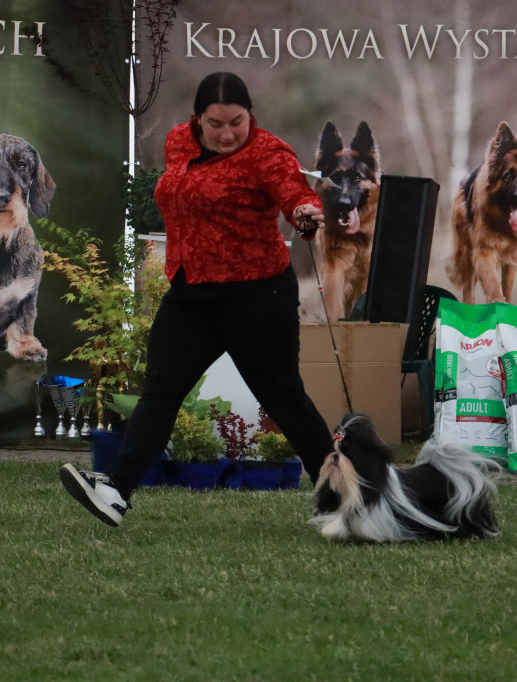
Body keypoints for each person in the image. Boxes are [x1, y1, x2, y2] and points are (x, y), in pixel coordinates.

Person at [60, 72, 333, 527]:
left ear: (251, 117)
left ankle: (341, 495)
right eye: (216, 124)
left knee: (283, 397)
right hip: (191, 294)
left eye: (237, 122)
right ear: (197, 120)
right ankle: (116, 492)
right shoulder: (177, 143)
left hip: (256, 296)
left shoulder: (269, 153)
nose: (227, 134)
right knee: (161, 391)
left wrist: (304, 212)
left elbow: (294, 194)